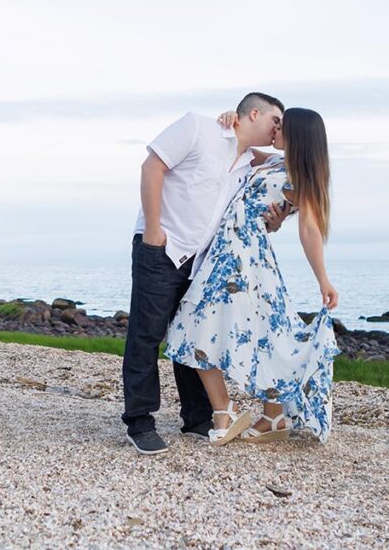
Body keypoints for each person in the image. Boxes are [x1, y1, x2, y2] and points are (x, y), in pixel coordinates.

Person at [122, 92, 287, 455]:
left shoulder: (249, 163)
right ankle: (140, 421)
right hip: (162, 246)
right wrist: (152, 230)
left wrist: (273, 225)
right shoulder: (198, 127)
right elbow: (152, 166)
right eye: (275, 120)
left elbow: (290, 162)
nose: (278, 128)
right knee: (145, 336)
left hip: (202, 262)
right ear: (254, 112)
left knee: (188, 336)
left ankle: (197, 417)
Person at [164, 108, 340, 446]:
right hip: (228, 253)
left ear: (298, 135)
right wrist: (234, 119)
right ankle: (270, 414)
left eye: (281, 126)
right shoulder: (274, 162)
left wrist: (323, 279)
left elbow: (310, 230)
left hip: (244, 259)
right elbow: (241, 146)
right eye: (275, 122)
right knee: (261, 333)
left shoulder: (301, 179)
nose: (275, 129)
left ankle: (227, 411)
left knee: (195, 325)